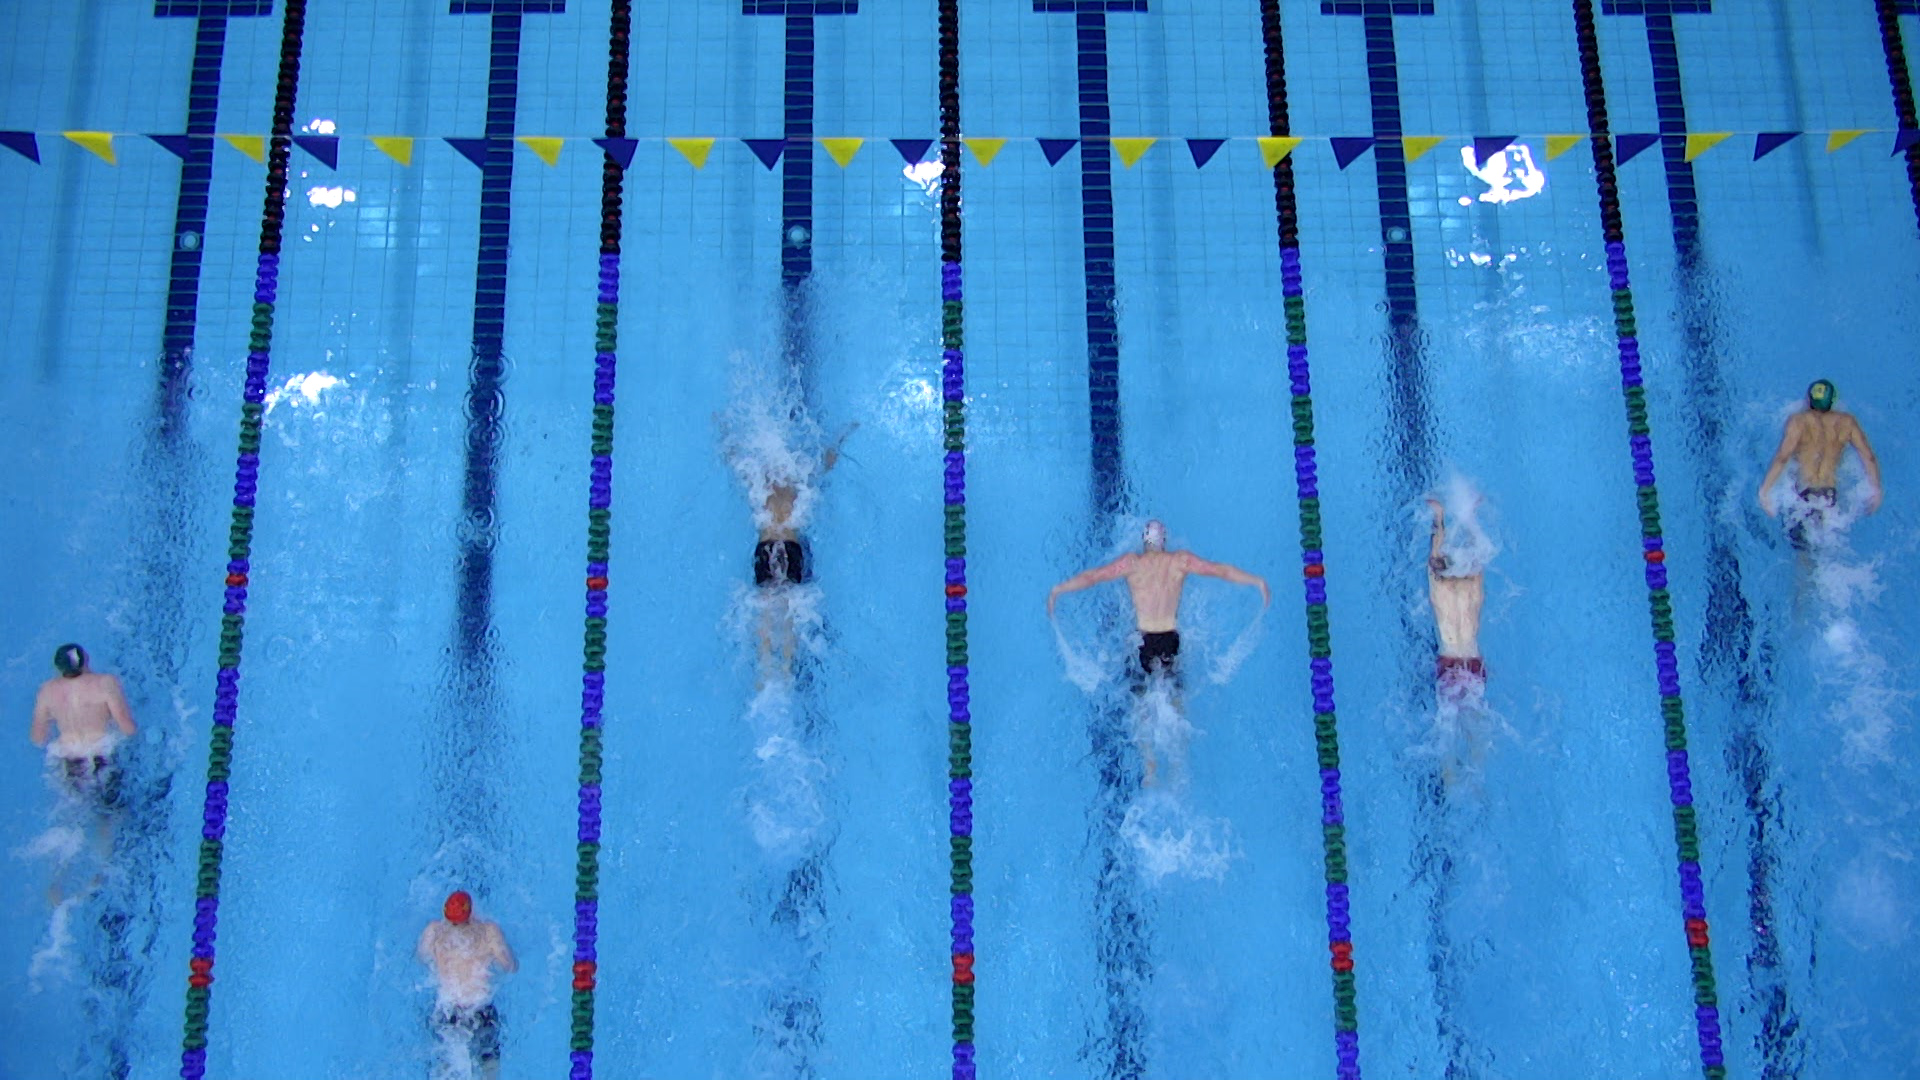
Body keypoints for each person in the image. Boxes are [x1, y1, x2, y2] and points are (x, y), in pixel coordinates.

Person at [1048, 520, 1269, 781]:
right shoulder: (1180, 561)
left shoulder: (1132, 564)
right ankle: (1178, 765)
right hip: (1169, 640)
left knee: (1141, 705)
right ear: (1164, 540)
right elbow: (1219, 570)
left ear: (1144, 540)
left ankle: (1149, 765)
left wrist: (1058, 589)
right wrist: (1255, 581)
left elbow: (1093, 577)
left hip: (1143, 641)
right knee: (1175, 703)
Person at [739, 421, 857, 677]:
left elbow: (736, 460)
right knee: (789, 604)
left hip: (766, 547)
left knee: (767, 606)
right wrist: (842, 436)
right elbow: (827, 462)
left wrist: (723, 431)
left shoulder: (761, 482)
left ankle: (766, 665)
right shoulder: (797, 481)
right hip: (790, 548)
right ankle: (786, 664)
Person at [1758, 379, 1883, 551]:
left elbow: (1782, 457)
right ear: (1833, 400)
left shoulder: (1798, 421)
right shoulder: (1847, 422)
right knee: (1825, 548)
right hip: (1829, 496)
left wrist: (1765, 490)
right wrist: (1876, 490)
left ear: (1809, 400)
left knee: (1804, 555)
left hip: (1803, 495)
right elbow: (1868, 457)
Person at [418, 890, 517, 1080]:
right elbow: (510, 966)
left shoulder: (433, 931)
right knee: (489, 1069)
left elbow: (422, 958)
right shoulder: (488, 931)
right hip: (481, 1011)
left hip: (447, 1012)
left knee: (446, 1069)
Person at [30, 643, 135, 815]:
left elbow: (38, 737)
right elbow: (127, 727)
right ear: (86, 660)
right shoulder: (105, 683)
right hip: (102, 756)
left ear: (58, 667)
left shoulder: (46, 691)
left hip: (70, 762)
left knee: (85, 812)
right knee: (112, 813)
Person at [1426, 500, 1486, 699]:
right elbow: (1478, 552)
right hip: (1473, 659)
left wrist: (1439, 515)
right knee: (1475, 718)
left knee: (1451, 716)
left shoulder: (1439, 588)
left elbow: (1433, 554)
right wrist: (1470, 517)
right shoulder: (1472, 587)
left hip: (1448, 659)